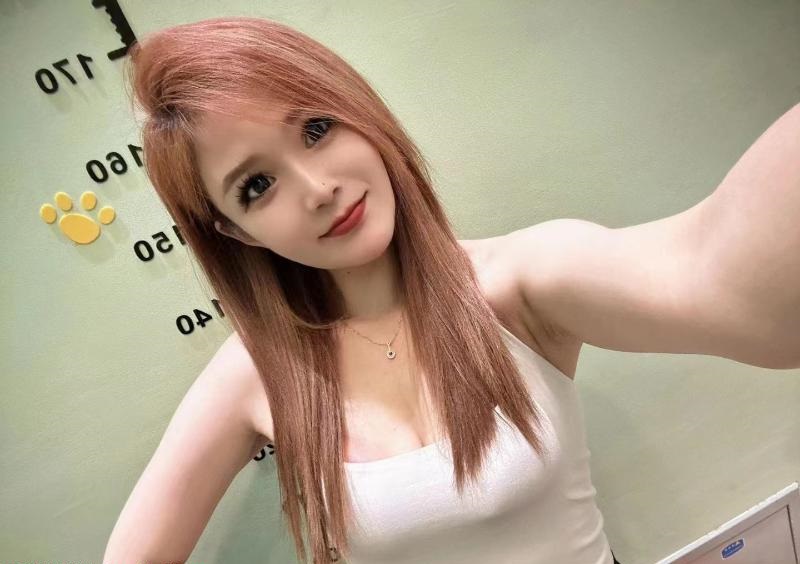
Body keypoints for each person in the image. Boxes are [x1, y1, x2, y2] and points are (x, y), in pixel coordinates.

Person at [102, 15, 800, 564]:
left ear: (359, 114)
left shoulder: (515, 283)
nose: (318, 189)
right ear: (237, 231)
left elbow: (728, 285)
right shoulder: (255, 376)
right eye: (258, 185)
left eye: (316, 129)